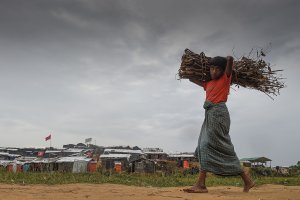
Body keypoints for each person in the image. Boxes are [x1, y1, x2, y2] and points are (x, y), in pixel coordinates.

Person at [183, 56, 254, 193]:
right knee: (205, 146)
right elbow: (196, 81)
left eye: (217, 69)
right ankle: (247, 181)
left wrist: (230, 60)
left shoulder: (225, 79)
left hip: (219, 115)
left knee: (207, 145)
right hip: (210, 115)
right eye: (212, 68)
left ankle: (201, 185)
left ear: (222, 71)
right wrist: (188, 74)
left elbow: (229, 68)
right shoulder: (208, 84)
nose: (214, 71)